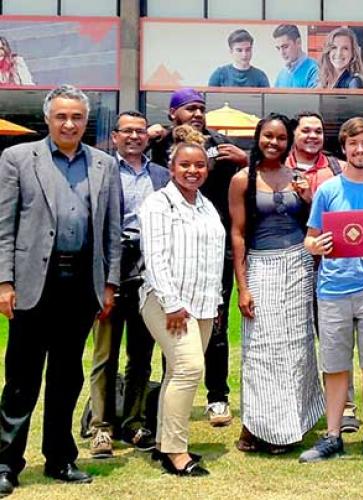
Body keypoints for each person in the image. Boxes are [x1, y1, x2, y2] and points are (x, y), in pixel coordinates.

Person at [0, 84, 121, 494]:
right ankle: (5, 463)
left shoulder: (104, 165)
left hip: (81, 287)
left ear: (86, 121)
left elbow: (112, 232)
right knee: (21, 379)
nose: (69, 124)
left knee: (67, 378)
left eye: (77, 117)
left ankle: (60, 458)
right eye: (61, 116)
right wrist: (4, 282)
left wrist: (110, 284)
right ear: (48, 118)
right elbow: (5, 228)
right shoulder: (17, 159)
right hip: (34, 284)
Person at [299, 117, 363, 465]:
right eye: (353, 144)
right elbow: (310, 238)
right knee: (335, 365)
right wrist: (318, 245)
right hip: (332, 289)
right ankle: (333, 436)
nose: (359, 150)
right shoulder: (328, 190)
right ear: (344, 149)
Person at [148, 88, 248, 427]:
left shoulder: (220, 144)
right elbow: (131, 149)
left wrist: (245, 160)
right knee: (175, 326)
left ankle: (217, 396)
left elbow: (252, 178)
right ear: (173, 112)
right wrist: (150, 133)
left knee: (216, 327)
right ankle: (173, 392)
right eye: (190, 108)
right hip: (174, 252)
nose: (198, 114)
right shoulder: (160, 144)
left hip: (212, 252)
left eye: (202, 109)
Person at [228, 113, 324, 454]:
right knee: (261, 349)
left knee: (297, 347)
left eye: (281, 138)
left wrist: (308, 197)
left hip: (298, 266)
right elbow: (237, 235)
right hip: (261, 265)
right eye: (268, 136)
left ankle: (288, 425)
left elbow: (316, 226)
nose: (274, 143)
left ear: (289, 142)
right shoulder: (242, 179)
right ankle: (255, 425)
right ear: (258, 137)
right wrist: (243, 286)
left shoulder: (299, 178)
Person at [139, 126, 224, 477]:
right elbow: (155, 257)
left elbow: (214, 257)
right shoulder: (158, 204)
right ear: (172, 168)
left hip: (203, 305)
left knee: (178, 371)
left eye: (200, 165)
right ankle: (176, 451)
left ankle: (162, 442)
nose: (193, 171)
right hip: (166, 303)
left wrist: (217, 303)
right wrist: (172, 303)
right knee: (190, 369)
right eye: (186, 165)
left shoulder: (207, 207)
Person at [88, 111, 170, 459]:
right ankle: (101, 427)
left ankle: (134, 421)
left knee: (141, 354)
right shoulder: (101, 172)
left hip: (148, 269)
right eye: (128, 132)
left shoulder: (161, 175)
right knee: (105, 353)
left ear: (147, 138)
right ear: (115, 137)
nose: (135, 137)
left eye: (141, 131)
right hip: (110, 266)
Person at [285, 111, 362, 433]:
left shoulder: (337, 169)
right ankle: (293, 405)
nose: (312, 136)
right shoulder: (277, 169)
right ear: (294, 134)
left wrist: (309, 198)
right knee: (290, 338)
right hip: (287, 263)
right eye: (306, 131)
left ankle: (345, 407)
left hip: (330, 268)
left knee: (335, 339)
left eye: (318, 131)